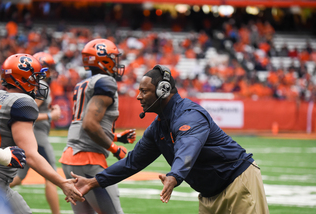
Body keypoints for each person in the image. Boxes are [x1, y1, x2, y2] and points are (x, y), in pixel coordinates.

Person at [70, 65, 270, 214]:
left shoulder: (189, 114)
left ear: (162, 91)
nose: (138, 97)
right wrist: (93, 182)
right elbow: (132, 163)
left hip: (237, 182)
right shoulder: (159, 126)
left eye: (144, 91)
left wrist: (174, 176)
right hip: (210, 194)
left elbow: (188, 146)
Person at [0, 53, 84, 214]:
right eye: (34, 78)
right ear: (21, 79)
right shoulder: (22, 103)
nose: (38, 83)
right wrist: (63, 183)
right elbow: (30, 155)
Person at [59, 38, 136, 214]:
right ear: (104, 59)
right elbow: (89, 124)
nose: (117, 63)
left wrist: (116, 137)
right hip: (88, 160)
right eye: (114, 58)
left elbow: (82, 124)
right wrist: (115, 148)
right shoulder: (105, 82)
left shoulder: (83, 84)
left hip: (70, 158)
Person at [10, 52, 62, 214]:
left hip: (33, 135)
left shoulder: (35, 85)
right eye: (48, 68)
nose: (51, 72)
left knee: (18, 178)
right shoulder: (41, 85)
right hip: (37, 137)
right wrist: (50, 116)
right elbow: (28, 113)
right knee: (51, 177)